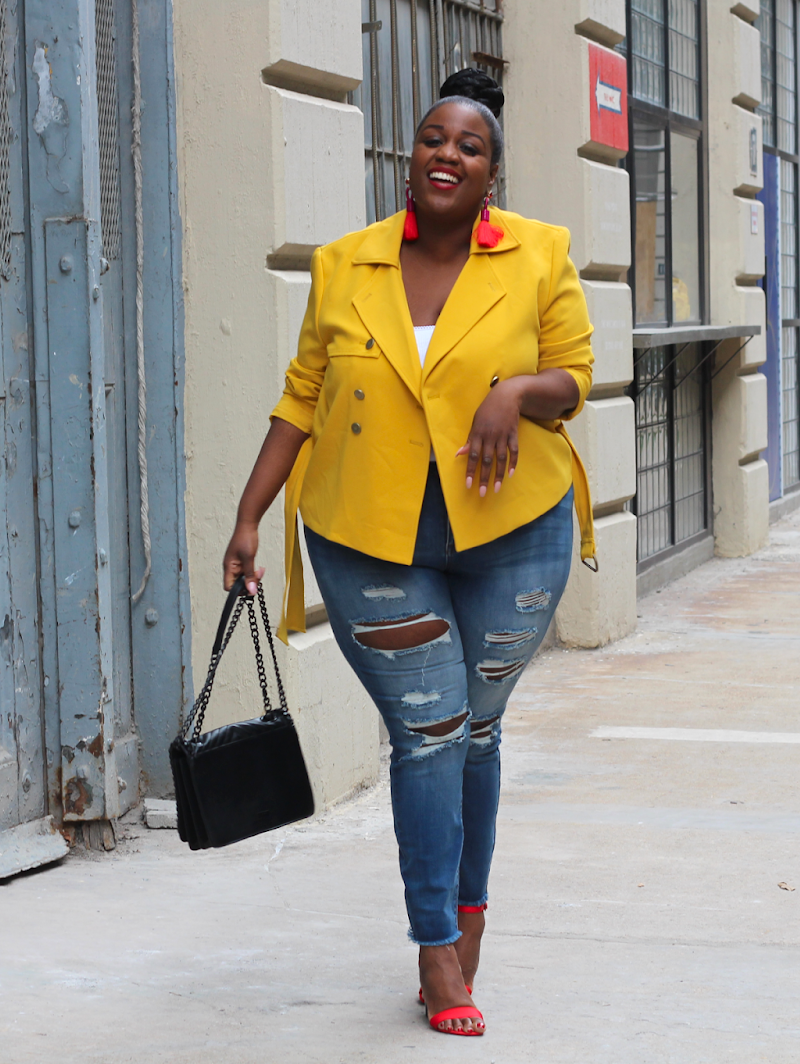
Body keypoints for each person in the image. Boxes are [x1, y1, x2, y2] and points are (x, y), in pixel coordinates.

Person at [222, 69, 595, 1037]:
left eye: (469, 146)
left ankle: (467, 914)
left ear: (491, 175)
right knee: (429, 728)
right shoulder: (345, 264)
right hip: (367, 535)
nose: (447, 154)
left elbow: (576, 379)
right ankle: (436, 944)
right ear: (408, 156)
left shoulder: (540, 256)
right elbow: (302, 395)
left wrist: (513, 392)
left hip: (514, 533)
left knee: (476, 729)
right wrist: (250, 514)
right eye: (434, 138)